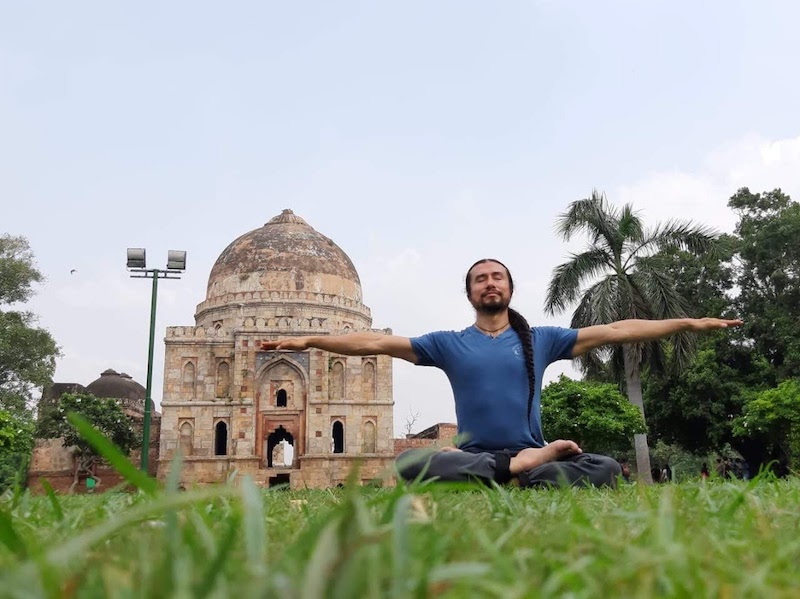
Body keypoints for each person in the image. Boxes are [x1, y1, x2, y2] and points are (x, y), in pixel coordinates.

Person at [260, 258, 742, 488]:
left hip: (531, 449)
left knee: (604, 467)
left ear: (509, 287)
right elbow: (374, 342)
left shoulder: (543, 339)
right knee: (411, 463)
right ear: (469, 292)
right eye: (480, 278)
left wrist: (691, 323)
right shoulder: (448, 344)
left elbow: (618, 329)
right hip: (476, 454)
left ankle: (523, 469)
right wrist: (308, 341)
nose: (489, 284)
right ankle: (515, 472)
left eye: (497, 277)